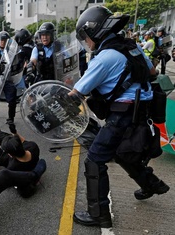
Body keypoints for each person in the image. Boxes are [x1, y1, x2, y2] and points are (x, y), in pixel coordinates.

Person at [71, 6, 169, 228]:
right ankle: (153, 184)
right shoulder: (131, 47)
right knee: (124, 155)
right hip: (141, 114)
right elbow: (152, 73)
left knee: (95, 159)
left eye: (85, 37)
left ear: (94, 32)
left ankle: (99, 215)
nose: (86, 42)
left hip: (121, 117)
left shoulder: (104, 57)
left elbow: (77, 93)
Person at [0, 31, 19, 133]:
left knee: (12, 99)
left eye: (5, 40)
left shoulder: (12, 52)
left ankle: (10, 118)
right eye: (1, 40)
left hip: (8, 79)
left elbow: (17, 65)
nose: (3, 42)